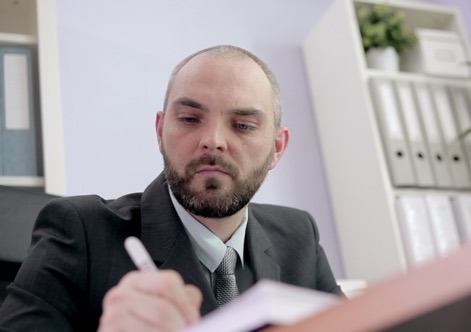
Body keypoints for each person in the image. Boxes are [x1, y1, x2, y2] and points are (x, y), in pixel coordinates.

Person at [0, 45, 342, 331]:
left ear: (277, 149)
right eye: (191, 119)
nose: (213, 141)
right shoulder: (79, 232)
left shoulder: (300, 236)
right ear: (161, 131)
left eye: (242, 125)